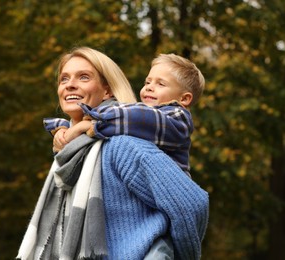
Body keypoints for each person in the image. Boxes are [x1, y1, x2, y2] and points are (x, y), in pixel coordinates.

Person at [16, 47, 209, 260]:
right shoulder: (71, 155)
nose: (70, 84)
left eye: (83, 77)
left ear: (108, 91)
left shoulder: (121, 147)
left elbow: (192, 204)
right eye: (64, 79)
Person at [45, 53, 205, 176]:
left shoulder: (177, 117)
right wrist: (62, 129)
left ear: (184, 98)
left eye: (160, 84)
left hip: (169, 194)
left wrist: (89, 124)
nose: (149, 87)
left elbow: (135, 117)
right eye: (147, 82)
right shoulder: (140, 114)